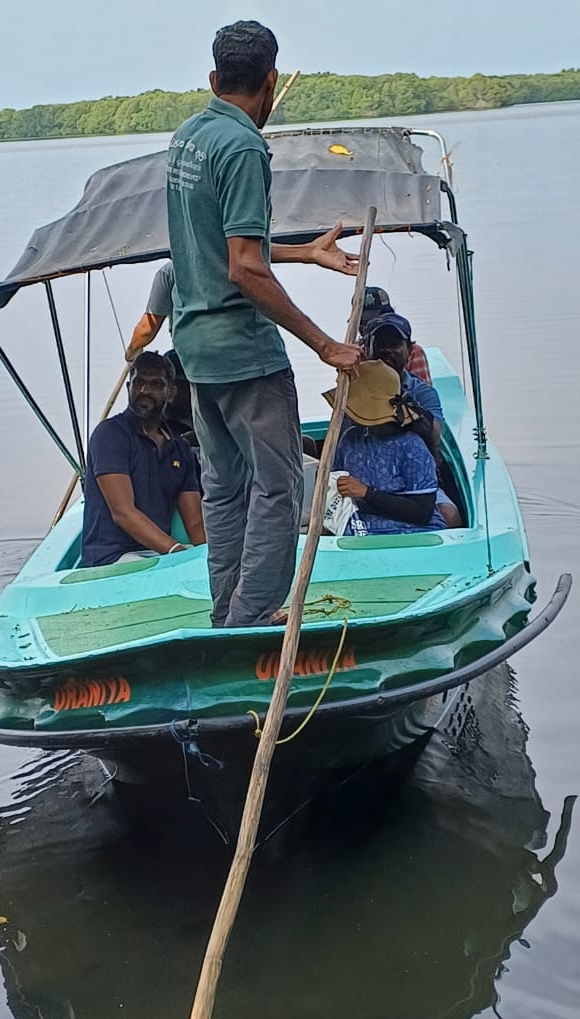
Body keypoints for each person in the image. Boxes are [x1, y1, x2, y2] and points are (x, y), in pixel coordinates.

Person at [166, 20, 361, 628]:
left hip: (196, 349)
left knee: (224, 489)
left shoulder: (188, 138)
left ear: (213, 77)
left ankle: (228, 613)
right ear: (271, 81)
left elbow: (217, 247)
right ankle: (251, 618)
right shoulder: (245, 146)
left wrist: (306, 252)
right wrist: (325, 343)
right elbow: (245, 268)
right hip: (245, 353)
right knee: (279, 490)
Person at [81, 352, 205, 567]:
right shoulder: (110, 435)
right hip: (112, 557)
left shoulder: (179, 448)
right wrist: (175, 550)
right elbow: (123, 513)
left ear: (171, 392)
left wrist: (210, 553)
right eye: (138, 383)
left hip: (158, 553)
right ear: (129, 387)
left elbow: (194, 521)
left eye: (156, 384)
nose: (144, 391)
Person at [326, 362, 461, 536]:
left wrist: (367, 493)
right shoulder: (350, 439)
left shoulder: (412, 446)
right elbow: (336, 487)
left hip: (411, 530)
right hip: (361, 525)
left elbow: (422, 512)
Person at [363, 312, 445, 459]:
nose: (386, 350)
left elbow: (435, 435)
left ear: (409, 350)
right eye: (379, 344)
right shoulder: (355, 392)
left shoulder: (424, 393)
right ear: (367, 350)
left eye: (394, 344)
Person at [360, 286, 432, 384]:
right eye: (363, 322)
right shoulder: (353, 355)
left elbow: (422, 393)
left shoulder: (412, 352)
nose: (367, 326)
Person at [125, 262, 175, 363]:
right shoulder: (216, 260)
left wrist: (131, 353)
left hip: (191, 361)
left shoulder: (170, 271)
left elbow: (147, 329)